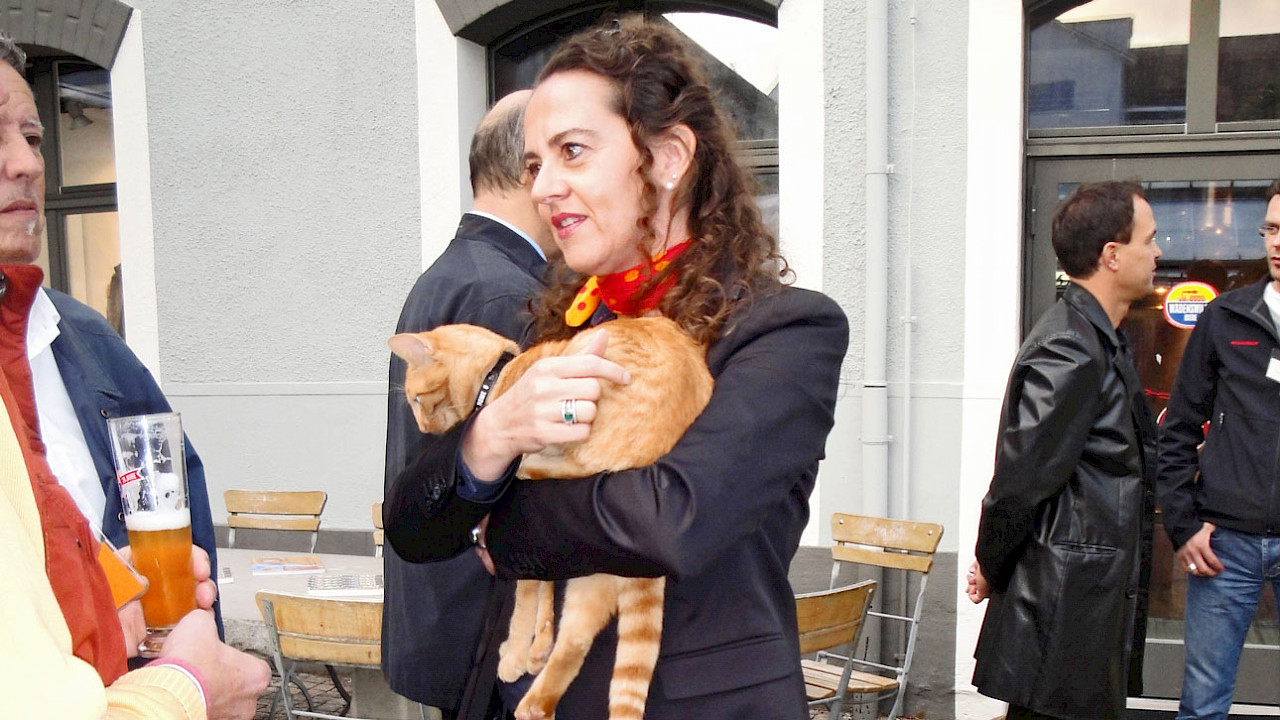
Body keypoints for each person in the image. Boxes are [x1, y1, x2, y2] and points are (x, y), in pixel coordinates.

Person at [386, 16, 848, 719]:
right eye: (535, 165)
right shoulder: (546, 322)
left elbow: (671, 519)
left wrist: (498, 526)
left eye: (572, 152)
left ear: (668, 156)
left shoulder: (785, 331)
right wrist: (490, 436)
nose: (543, 187)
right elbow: (415, 529)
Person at [0, 33, 270, 717]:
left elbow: (177, 488)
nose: (26, 163)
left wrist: (115, 591)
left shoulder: (87, 340)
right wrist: (188, 689)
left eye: (33, 137)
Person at [382, 89, 554, 720]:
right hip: (485, 631)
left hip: (445, 618)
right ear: (530, 171)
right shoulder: (505, 293)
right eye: (560, 155)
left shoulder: (453, 273)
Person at [966, 181, 1161, 720]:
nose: (1157, 252)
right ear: (1112, 254)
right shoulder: (1072, 347)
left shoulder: (1096, 337)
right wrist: (991, 560)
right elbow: (1020, 482)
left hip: (1079, 604)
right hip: (1065, 610)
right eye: (1149, 239)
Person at [1157, 177, 1280, 720]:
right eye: (1271, 229)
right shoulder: (1227, 317)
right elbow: (1179, 428)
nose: (1277, 242)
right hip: (1224, 545)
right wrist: (1184, 525)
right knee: (1204, 702)